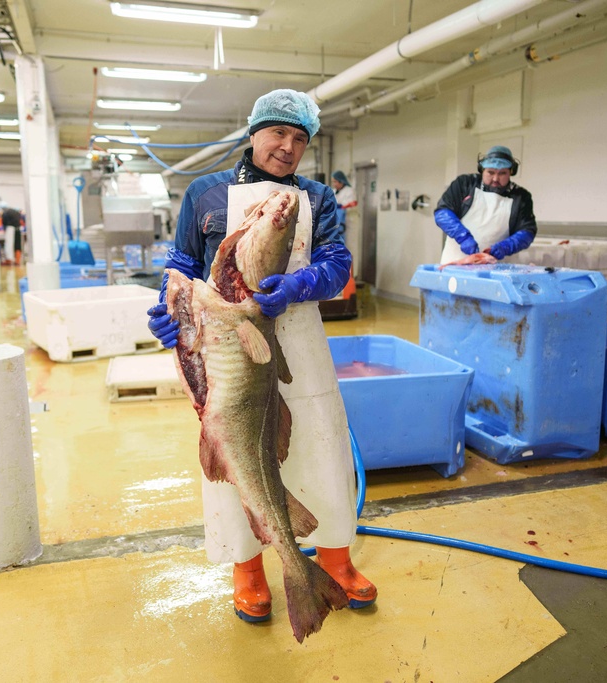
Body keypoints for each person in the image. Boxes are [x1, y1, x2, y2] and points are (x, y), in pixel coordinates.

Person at [146, 89, 376, 623]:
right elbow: (180, 260)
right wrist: (170, 310)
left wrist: (299, 284)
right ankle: (248, 571)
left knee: (323, 449)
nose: (288, 147)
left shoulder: (316, 198)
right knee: (234, 457)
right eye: (278, 133)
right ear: (253, 133)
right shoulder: (204, 192)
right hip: (226, 348)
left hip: (299, 343)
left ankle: (336, 562)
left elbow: (338, 263)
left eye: (300, 139)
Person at [434, 145, 537, 264]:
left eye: (502, 173)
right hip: (457, 261)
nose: (495, 179)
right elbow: (442, 213)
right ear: (482, 170)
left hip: (497, 265)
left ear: (511, 172)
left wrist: (506, 247)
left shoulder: (521, 197)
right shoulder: (464, 184)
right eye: (490, 172)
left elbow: (527, 231)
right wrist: (463, 237)